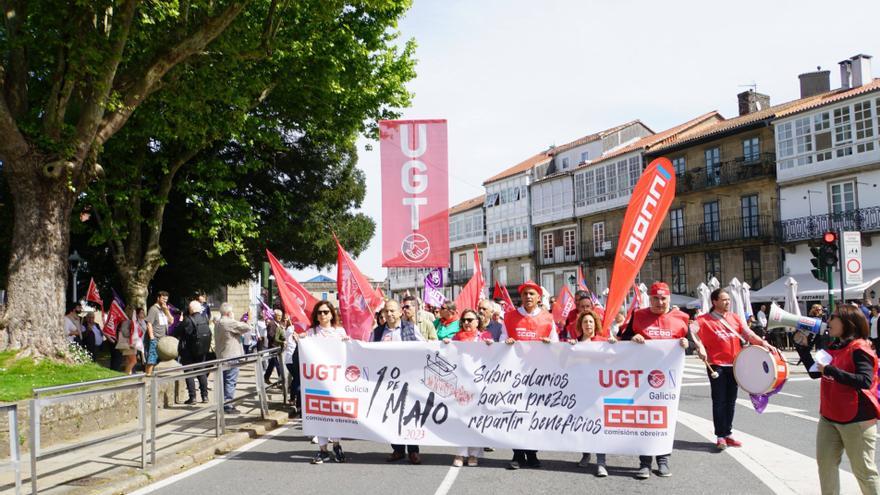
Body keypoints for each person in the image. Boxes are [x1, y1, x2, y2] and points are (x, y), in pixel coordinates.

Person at [795, 305, 880, 495]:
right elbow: (816, 373)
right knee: (826, 467)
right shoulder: (835, 346)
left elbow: (865, 381)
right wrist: (802, 350)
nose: (828, 321)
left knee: (864, 472)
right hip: (829, 416)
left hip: (857, 419)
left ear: (847, 322)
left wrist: (831, 370)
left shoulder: (860, 347)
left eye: (833, 317)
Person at [619, 282, 690, 479]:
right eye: (655, 299)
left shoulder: (682, 318)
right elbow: (622, 341)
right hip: (642, 379)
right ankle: (644, 462)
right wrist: (633, 339)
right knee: (645, 420)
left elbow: (690, 344)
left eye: (663, 298)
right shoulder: (638, 316)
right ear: (649, 299)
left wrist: (687, 344)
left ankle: (663, 460)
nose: (659, 302)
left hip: (669, 380)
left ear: (669, 299)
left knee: (665, 420)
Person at [693, 289, 775, 451]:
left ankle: (728, 433)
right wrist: (700, 346)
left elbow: (748, 333)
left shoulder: (735, 318)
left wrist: (763, 343)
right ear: (714, 302)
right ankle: (720, 436)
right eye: (724, 300)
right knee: (719, 401)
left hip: (736, 365)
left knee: (731, 401)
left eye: (729, 300)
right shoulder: (703, 320)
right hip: (716, 365)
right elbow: (692, 331)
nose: (728, 302)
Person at [502, 280, 558, 470]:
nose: (527, 297)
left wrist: (549, 345)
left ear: (538, 297)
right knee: (516, 413)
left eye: (531, 294)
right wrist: (506, 342)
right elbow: (501, 342)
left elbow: (557, 345)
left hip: (538, 375)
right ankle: (517, 454)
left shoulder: (548, 318)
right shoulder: (509, 317)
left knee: (533, 414)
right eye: (525, 294)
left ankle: (532, 453)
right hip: (515, 374)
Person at [372, 300, 424, 464]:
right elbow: (368, 352)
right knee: (391, 415)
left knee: (410, 415)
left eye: (393, 311)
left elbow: (424, 347)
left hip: (409, 380)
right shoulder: (377, 332)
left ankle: (413, 451)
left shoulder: (411, 328)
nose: (389, 314)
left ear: (400, 312)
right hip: (387, 381)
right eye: (386, 311)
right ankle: (398, 449)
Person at [302, 301, 350, 464]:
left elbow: (347, 352)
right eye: (319, 312)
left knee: (335, 413)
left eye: (326, 312)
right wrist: (299, 339)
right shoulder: (311, 333)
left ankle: (336, 445)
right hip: (317, 380)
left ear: (332, 314)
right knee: (319, 414)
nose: (323, 315)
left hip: (335, 380)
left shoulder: (339, 332)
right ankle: (323, 450)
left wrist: (347, 342)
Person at [569, 309, 615, 477]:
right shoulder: (574, 344)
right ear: (580, 325)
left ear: (596, 324)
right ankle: (586, 454)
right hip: (580, 391)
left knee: (599, 426)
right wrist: (569, 348)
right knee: (583, 424)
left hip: (599, 392)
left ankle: (601, 462)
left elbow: (615, 361)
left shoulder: (603, 342)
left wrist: (613, 346)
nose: (588, 324)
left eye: (590, 321)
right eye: (584, 322)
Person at [215, 303, 253, 414]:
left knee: (225, 381)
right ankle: (228, 405)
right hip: (231, 356)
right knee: (230, 381)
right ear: (228, 313)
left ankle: (223, 404)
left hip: (222, 355)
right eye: (232, 312)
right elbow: (247, 327)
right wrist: (249, 318)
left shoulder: (218, 322)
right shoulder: (228, 322)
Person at [179, 301, 212, 404]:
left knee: (189, 373)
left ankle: (192, 397)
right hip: (202, 350)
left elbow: (177, 332)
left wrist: (180, 322)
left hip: (188, 351)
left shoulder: (188, 320)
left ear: (190, 309)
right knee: (201, 372)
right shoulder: (205, 319)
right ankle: (205, 396)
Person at [145, 291, 172, 375]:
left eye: (166, 299)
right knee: (152, 360)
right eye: (163, 299)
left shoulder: (164, 309)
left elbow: (171, 321)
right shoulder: (153, 309)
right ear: (158, 298)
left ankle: (156, 378)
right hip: (155, 338)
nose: (165, 301)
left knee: (161, 360)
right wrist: (152, 337)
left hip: (163, 339)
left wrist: (166, 310)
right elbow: (149, 323)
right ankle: (147, 377)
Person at [116, 307, 144, 374]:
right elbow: (125, 333)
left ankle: (128, 374)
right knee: (133, 361)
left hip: (131, 344)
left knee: (129, 361)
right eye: (132, 312)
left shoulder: (132, 321)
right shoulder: (126, 321)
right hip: (128, 344)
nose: (133, 314)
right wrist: (133, 334)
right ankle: (126, 375)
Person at [263, 309, 285, 383]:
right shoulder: (271, 324)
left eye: (281, 316)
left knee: (272, 363)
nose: (280, 317)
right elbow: (270, 335)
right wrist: (278, 336)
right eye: (279, 315)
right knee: (278, 364)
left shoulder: (279, 324)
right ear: (275, 315)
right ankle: (281, 380)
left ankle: (266, 377)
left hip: (278, 347)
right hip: (273, 347)